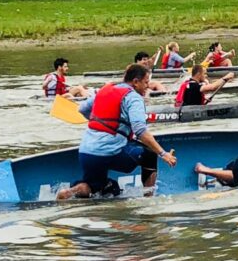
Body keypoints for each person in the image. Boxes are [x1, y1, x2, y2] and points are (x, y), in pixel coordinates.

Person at [57, 63, 177, 199]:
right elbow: (140, 130)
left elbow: (82, 109)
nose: (147, 86)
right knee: (149, 155)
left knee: (104, 188)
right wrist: (163, 153)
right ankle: (148, 199)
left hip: (86, 151)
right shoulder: (133, 97)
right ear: (136, 82)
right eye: (146, 82)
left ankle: (69, 193)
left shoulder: (105, 90)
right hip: (108, 152)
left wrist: (100, 122)